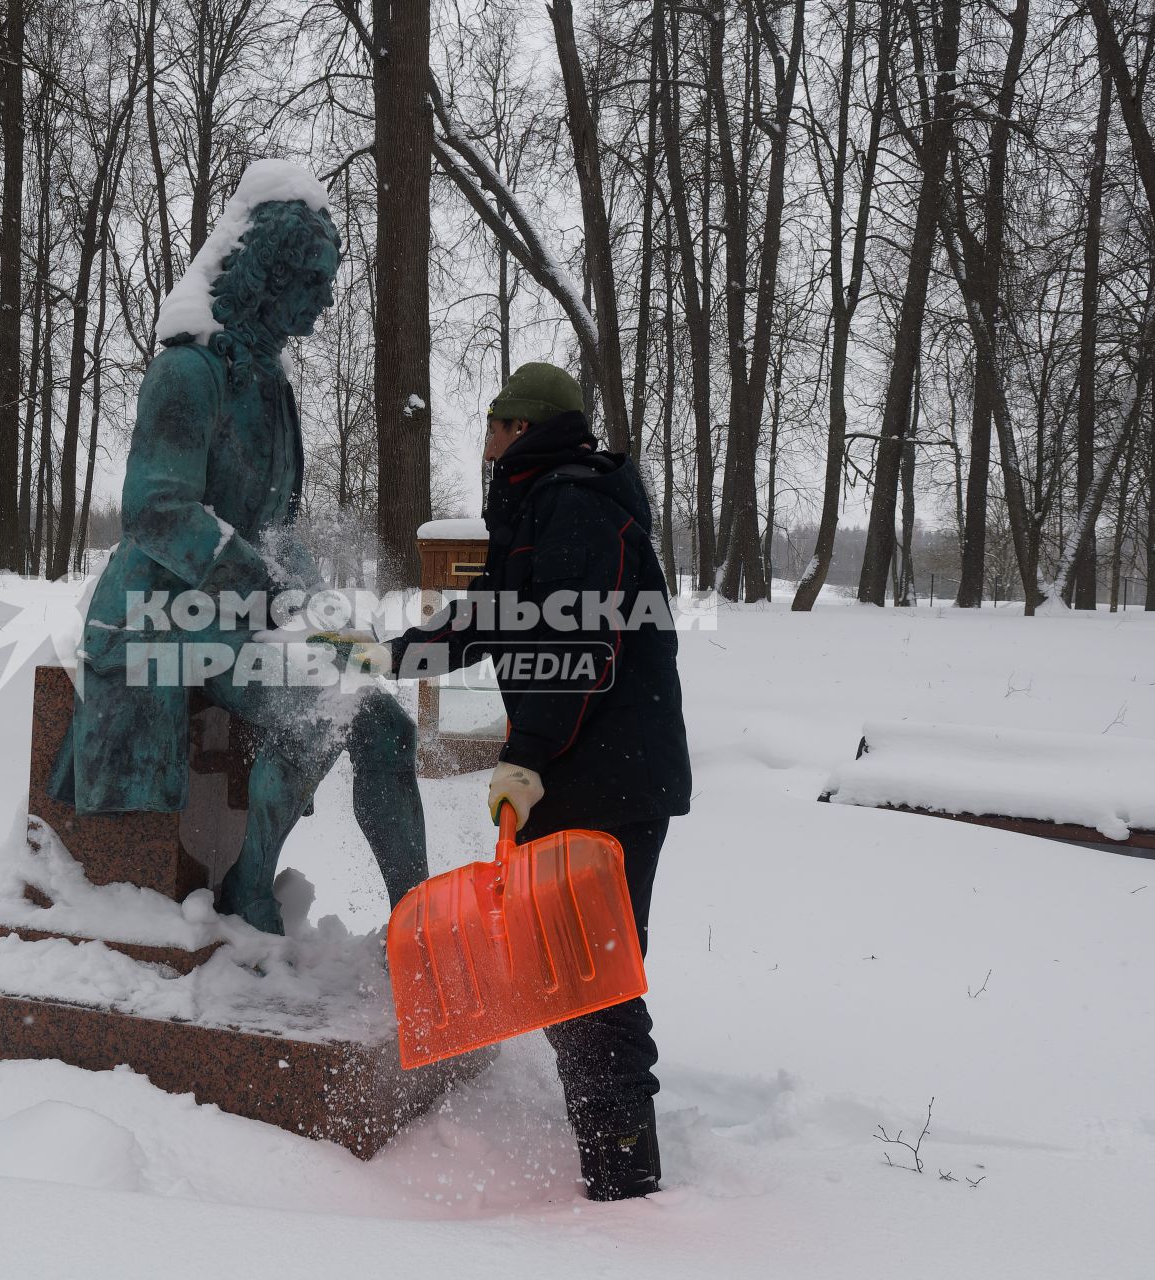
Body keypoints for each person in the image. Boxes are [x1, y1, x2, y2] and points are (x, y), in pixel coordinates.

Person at [50, 165, 427, 935]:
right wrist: (263, 584)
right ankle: (251, 898)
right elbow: (154, 510)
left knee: (382, 715)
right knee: (321, 704)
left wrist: (316, 600)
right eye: (314, 282)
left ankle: (421, 924)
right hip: (164, 609)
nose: (325, 300)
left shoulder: (271, 386)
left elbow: (277, 527)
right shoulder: (187, 372)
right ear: (269, 276)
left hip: (240, 610)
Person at [386, 361, 691, 1201]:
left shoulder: (576, 502)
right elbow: (500, 611)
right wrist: (397, 653)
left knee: (593, 973)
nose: (482, 436)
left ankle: (623, 1176)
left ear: (521, 427)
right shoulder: (541, 498)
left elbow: (579, 645)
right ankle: (608, 1145)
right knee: (571, 972)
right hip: (585, 769)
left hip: (608, 776)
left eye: (492, 421)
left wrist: (524, 753)